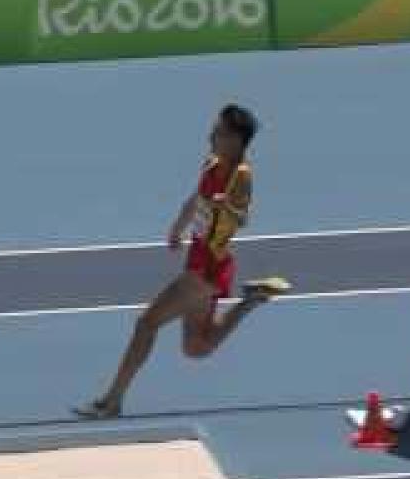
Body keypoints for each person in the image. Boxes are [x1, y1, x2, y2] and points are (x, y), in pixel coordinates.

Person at [74, 104, 291, 419]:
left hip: (207, 268)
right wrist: (178, 226)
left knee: (146, 324)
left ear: (234, 139)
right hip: (199, 258)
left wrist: (225, 207)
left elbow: (241, 218)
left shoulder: (241, 176)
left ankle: (112, 401)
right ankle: (251, 300)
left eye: (217, 132)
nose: (210, 136)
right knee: (197, 348)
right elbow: (195, 199)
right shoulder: (211, 164)